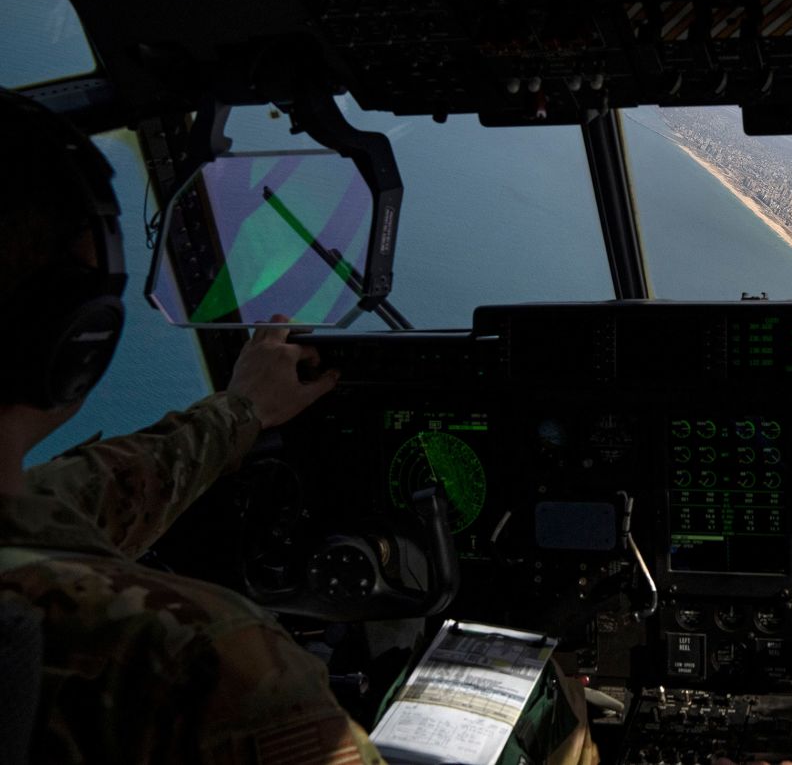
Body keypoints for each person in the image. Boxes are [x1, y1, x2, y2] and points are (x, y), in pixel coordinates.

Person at [0, 92, 596, 764]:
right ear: (74, 332)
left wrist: (245, 408)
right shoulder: (204, 658)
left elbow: (100, 489)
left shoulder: (32, 525)